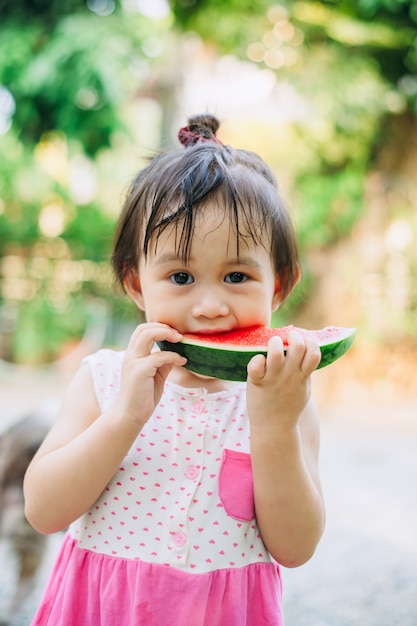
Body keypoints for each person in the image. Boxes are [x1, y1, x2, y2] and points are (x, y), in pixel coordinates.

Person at [24, 113, 325, 625]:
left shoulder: (285, 395)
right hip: (104, 607)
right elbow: (44, 511)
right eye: (180, 276)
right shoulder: (102, 380)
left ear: (279, 285)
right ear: (136, 284)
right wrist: (124, 417)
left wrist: (274, 428)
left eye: (236, 275)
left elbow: (294, 548)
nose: (209, 305)